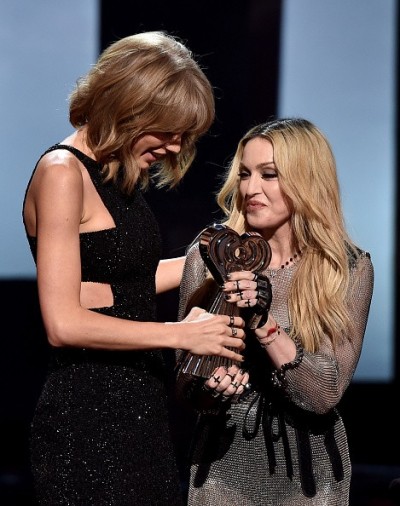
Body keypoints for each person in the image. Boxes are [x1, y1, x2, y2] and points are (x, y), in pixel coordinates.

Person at [22, 31, 247, 506]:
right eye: (167, 131)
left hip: (139, 404)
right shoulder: (63, 172)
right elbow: (63, 323)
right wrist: (181, 334)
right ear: (129, 107)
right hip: (87, 416)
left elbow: (131, 286)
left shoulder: (113, 177)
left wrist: (218, 257)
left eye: (183, 136)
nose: (173, 147)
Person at [176, 118, 374, 505]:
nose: (250, 188)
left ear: (306, 180)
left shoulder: (346, 268)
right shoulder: (208, 258)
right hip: (224, 465)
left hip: (311, 473)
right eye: (245, 174)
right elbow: (186, 381)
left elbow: (325, 392)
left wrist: (262, 320)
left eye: (269, 175)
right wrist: (211, 389)